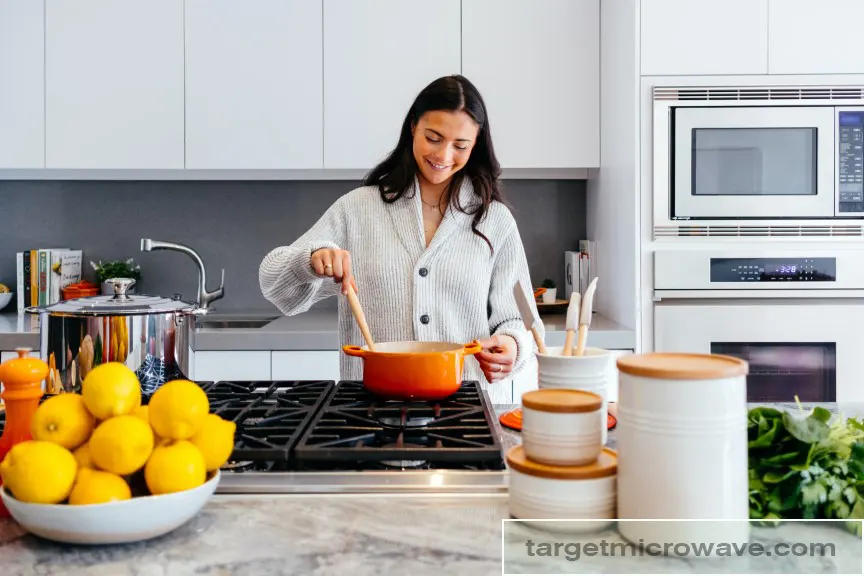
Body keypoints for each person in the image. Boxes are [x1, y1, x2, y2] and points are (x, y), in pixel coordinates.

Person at [259, 74, 544, 389]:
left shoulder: (495, 220)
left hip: (465, 414)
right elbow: (274, 284)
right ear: (413, 127)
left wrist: (512, 346)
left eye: (460, 146)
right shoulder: (357, 210)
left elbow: (523, 321)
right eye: (433, 138)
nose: (443, 156)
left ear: (475, 146)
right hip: (371, 413)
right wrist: (310, 260)